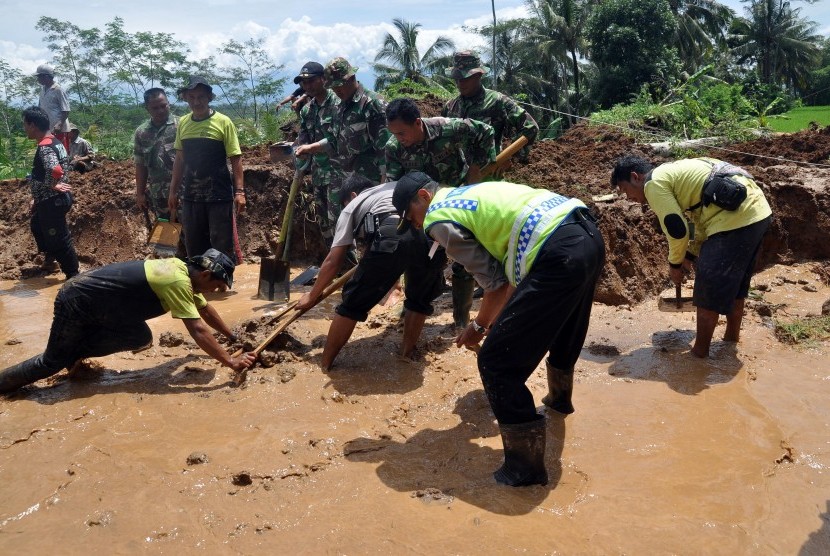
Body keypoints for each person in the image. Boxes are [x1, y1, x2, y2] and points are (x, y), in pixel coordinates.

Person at [394, 171, 605, 487]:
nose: (417, 227)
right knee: (564, 327)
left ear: (424, 198)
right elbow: (505, 285)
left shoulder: (438, 218)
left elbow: (497, 286)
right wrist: (495, 322)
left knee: (496, 363)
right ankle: (559, 403)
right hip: (587, 235)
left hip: (557, 252)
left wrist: (478, 327)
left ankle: (525, 470)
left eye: (412, 218)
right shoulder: (466, 193)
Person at [0, 249, 257, 395]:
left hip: (97, 304)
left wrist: (232, 337)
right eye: (217, 285)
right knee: (50, 362)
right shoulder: (176, 281)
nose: (216, 291)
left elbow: (206, 312)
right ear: (205, 274)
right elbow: (198, 329)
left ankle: (74, 353)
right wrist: (230, 361)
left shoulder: (182, 273)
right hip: (77, 300)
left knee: (139, 337)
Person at [611, 155, 772, 358]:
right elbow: (698, 221)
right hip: (757, 212)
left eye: (625, 190)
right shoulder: (675, 174)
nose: (627, 198)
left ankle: (698, 354)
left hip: (735, 219)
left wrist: (675, 264)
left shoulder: (653, 184)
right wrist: (689, 254)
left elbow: (677, 230)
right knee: (736, 285)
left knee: (707, 286)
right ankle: (731, 339)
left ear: (635, 177)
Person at [296, 174, 445, 371]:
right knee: (419, 301)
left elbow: (334, 260)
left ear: (353, 195)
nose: (344, 207)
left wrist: (312, 295)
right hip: (433, 237)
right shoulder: (393, 188)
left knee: (352, 305)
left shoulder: (351, 207)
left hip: (393, 232)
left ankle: (324, 366)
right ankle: (405, 355)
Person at [385, 97, 497, 328]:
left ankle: (461, 320)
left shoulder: (449, 128)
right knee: (417, 255)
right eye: (395, 134)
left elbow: (485, 132)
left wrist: (477, 169)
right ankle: (411, 306)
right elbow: (396, 186)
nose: (399, 139)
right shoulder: (394, 148)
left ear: (417, 123)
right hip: (421, 209)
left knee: (464, 262)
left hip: (457, 205)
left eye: (402, 133)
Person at [168, 76, 245, 263]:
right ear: (186, 98)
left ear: (210, 97)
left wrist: (240, 191)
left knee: (221, 246)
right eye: (192, 97)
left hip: (219, 194)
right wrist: (173, 192)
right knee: (194, 246)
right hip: (191, 195)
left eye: (201, 97)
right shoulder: (184, 123)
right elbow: (179, 160)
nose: (196, 102)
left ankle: (224, 286)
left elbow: (236, 158)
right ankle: (202, 288)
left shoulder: (223, 122)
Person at [296, 57, 389, 184]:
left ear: (351, 78)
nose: (336, 91)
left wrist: (385, 181)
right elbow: (335, 139)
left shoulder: (372, 103)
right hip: (345, 180)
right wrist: (312, 147)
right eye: (332, 87)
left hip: (369, 181)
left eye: (339, 85)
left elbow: (385, 146)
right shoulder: (340, 106)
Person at [442, 50, 538, 159]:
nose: (460, 83)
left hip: (488, 172)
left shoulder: (498, 101)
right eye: (457, 78)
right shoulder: (449, 107)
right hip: (457, 173)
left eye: (465, 78)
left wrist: (508, 157)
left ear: (478, 75)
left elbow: (530, 127)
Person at [23, 106, 79, 280]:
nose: (24, 129)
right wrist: (36, 197)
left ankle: (73, 276)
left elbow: (54, 169)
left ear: (32, 125)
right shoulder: (55, 141)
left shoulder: (45, 146)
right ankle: (50, 259)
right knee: (37, 226)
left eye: (25, 125)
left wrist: (52, 185)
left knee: (59, 239)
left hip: (52, 200)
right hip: (48, 199)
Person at [290, 61, 344, 244]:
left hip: (339, 174)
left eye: (311, 81)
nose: (307, 86)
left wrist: (310, 148)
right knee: (324, 225)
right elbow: (303, 140)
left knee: (339, 223)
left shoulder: (338, 104)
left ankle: (349, 270)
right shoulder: (306, 110)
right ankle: (335, 269)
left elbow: (337, 138)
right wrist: (299, 153)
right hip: (318, 175)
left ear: (323, 79)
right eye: (303, 83)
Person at [135, 88, 180, 222]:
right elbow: (140, 165)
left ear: (169, 103)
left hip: (183, 192)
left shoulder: (182, 125)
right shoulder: (141, 133)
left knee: (190, 233)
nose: (160, 111)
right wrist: (140, 193)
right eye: (155, 108)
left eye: (163, 106)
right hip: (158, 195)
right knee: (166, 236)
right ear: (147, 108)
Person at [35, 64, 71, 152]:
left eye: (39, 76)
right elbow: (40, 108)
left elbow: (65, 109)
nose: (38, 79)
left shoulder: (58, 89)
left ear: (46, 77)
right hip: (47, 129)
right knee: (48, 152)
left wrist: (59, 124)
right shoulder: (42, 90)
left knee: (60, 152)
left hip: (58, 129)